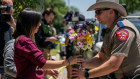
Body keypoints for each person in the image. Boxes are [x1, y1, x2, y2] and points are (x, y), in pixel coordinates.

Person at [72, 0, 140, 79]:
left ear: (111, 11)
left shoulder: (122, 30)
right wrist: (85, 64)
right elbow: (102, 57)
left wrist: (87, 74)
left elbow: (114, 64)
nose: (95, 16)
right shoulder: (110, 30)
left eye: (98, 12)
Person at [13, 8, 83, 79]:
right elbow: (43, 63)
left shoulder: (23, 40)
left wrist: (45, 71)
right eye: (37, 22)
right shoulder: (25, 41)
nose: (40, 25)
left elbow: (30, 65)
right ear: (30, 24)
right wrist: (67, 62)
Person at [0, 0, 16, 79]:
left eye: (10, 8)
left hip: (11, 67)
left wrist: (13, 25)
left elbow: (25, 37)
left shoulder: (14, 24)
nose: (8, 11)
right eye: (5, 8)